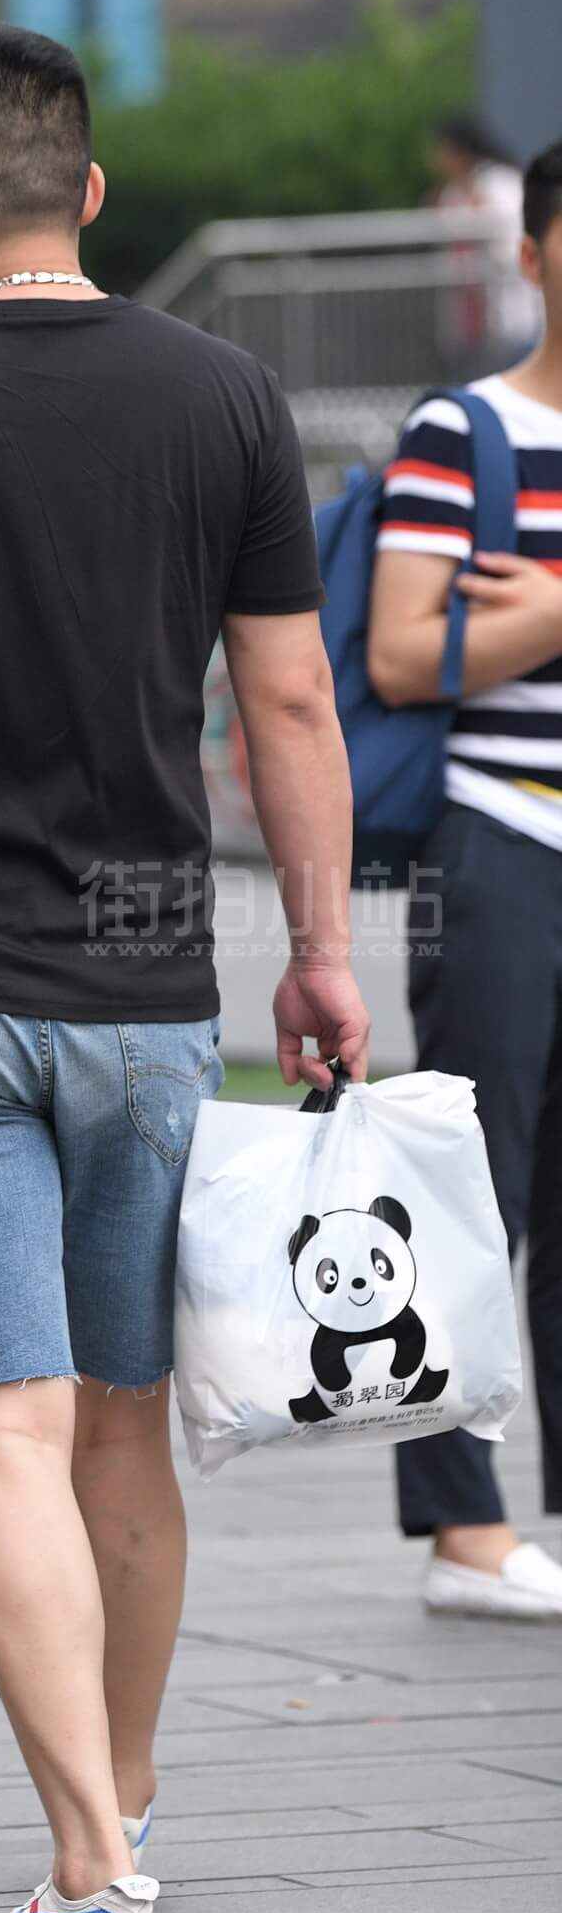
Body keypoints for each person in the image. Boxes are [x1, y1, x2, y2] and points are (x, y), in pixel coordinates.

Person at [0, 24, 369, 1913]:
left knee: (4, 1438)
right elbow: (289, 699)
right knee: (124, 1431)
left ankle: (92, 1877)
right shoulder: (223, 396)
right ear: (92, 193)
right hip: (145, 989)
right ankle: (121, 1816)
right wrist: (322, 948)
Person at [366, 135, 562, 1622]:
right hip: (501, 840)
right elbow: (400, 651)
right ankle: (463, 1531)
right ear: (534, 254)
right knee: (472, 1189)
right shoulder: (466, 432)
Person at [430, 115, 543, 376]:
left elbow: (515, 243)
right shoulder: (453, 192)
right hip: (471, 322)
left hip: (515, 315)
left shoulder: (502, 184)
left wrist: (480, 215)